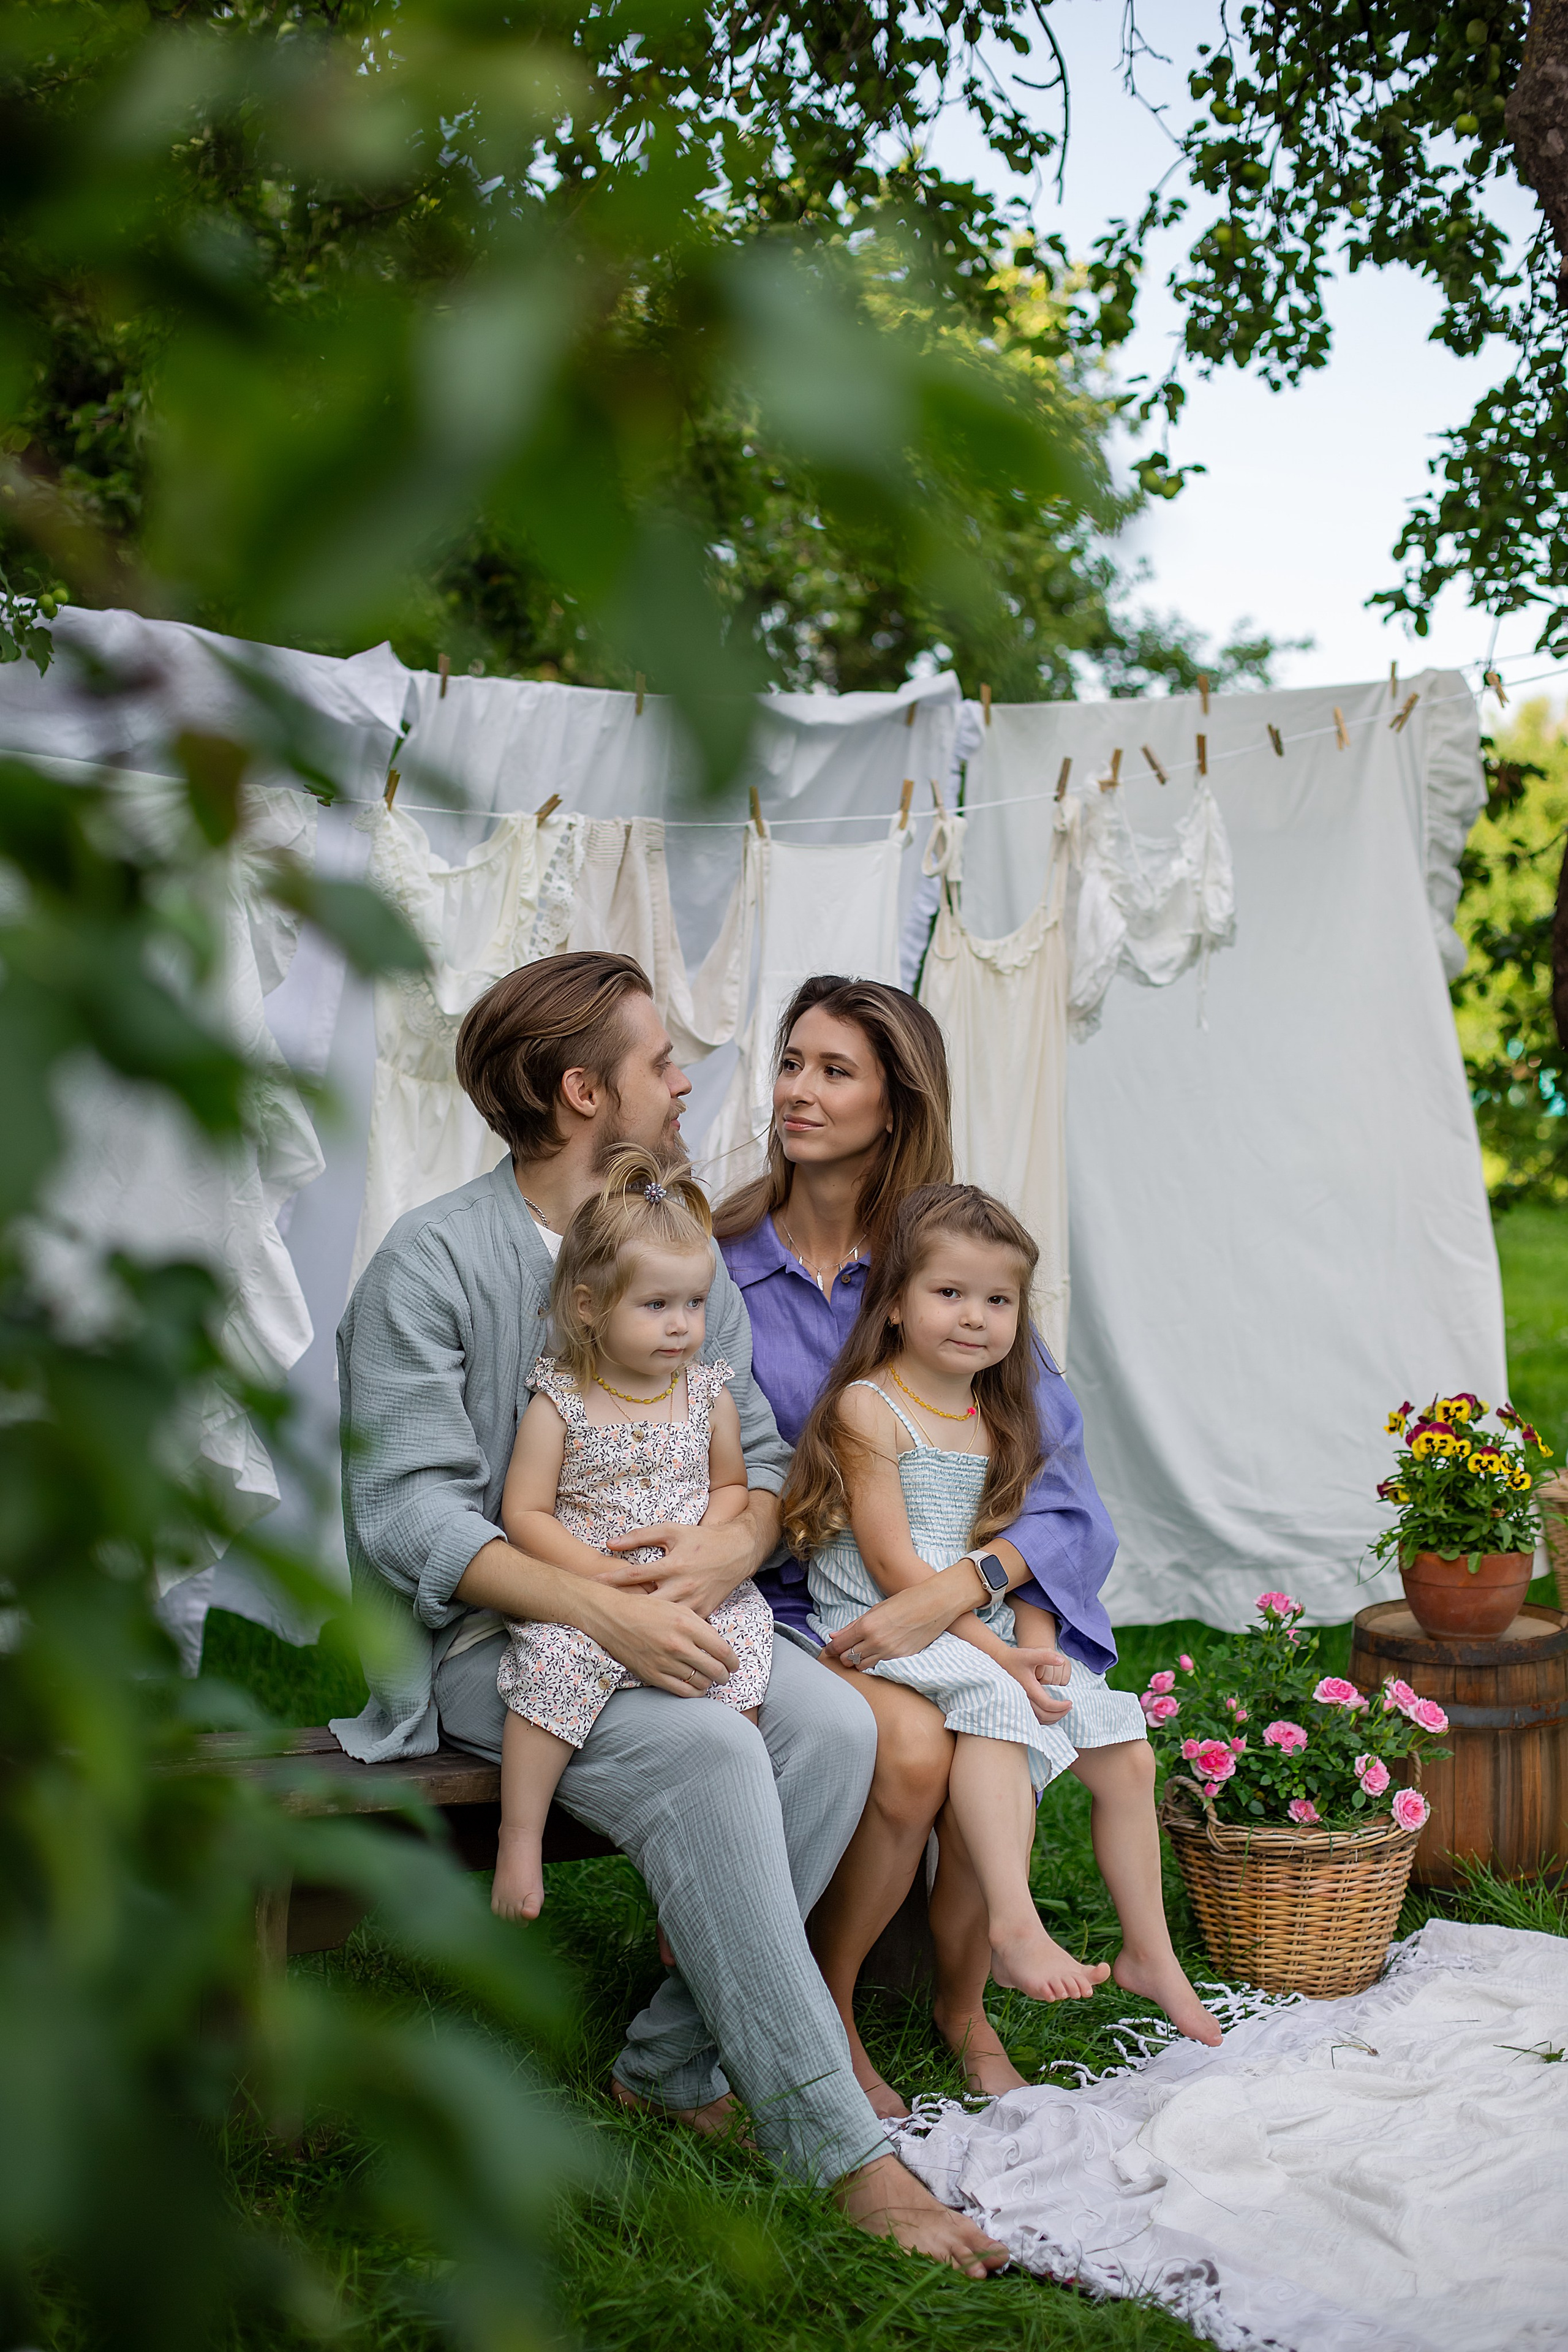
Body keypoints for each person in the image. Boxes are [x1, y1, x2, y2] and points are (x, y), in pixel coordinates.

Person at [333, 950, 1008, 2275]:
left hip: (672, 1611)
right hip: (491, 1645)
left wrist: (721, 1547)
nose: (688, 1078)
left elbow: (756, 1464)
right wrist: (600, 1608)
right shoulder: (431, 1262)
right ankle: (839, 2148)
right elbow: (408, 1515)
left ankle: (668, 2061)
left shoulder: (678, 1248)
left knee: (828, 1728)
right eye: (658, 1060)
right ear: (585, 1092)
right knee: (709, 1749)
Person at [715, 976, 1197, 2113]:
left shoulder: (952, 1266)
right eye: (792, 1062)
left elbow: (1063, 1496)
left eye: (835, 1071)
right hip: (788, 1601)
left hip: (935, 1604)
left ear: (897, 1104)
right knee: (921, 1750)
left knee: (1008, 1725)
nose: (798, 1091)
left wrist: (967, 1598)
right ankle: (824, 2011)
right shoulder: (723, 1265)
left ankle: (964, 2006)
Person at [785, 1182, 1218, 2037]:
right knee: (998, 1705)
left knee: (1123, 1748)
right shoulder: (868, 1407)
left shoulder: (998, 1413)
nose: (975, 1317)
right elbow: (893, 1563)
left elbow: (1019, 1562)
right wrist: (999, 1657)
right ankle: (1013, 1925)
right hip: (882, 1617)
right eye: (949, 1293)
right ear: (898, 1304)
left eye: (999, 1299)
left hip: (964, 1626)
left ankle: (1149, 1952)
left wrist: (1037, 1647)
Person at [492, 1148, 773, 1922]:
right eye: (656, 1305)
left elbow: (730, 1488)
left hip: (689, 1581)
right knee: (553, 1658)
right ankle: (521, 1836)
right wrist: (602, 1580)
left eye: (694, 1304)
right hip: (592, 1587)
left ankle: (720, 1851)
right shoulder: (563, 1401)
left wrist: (706, 1543)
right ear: (587, 1307)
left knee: (745, 1640)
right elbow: (525, 1515)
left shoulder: (706, 1394)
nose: (682, 1326)